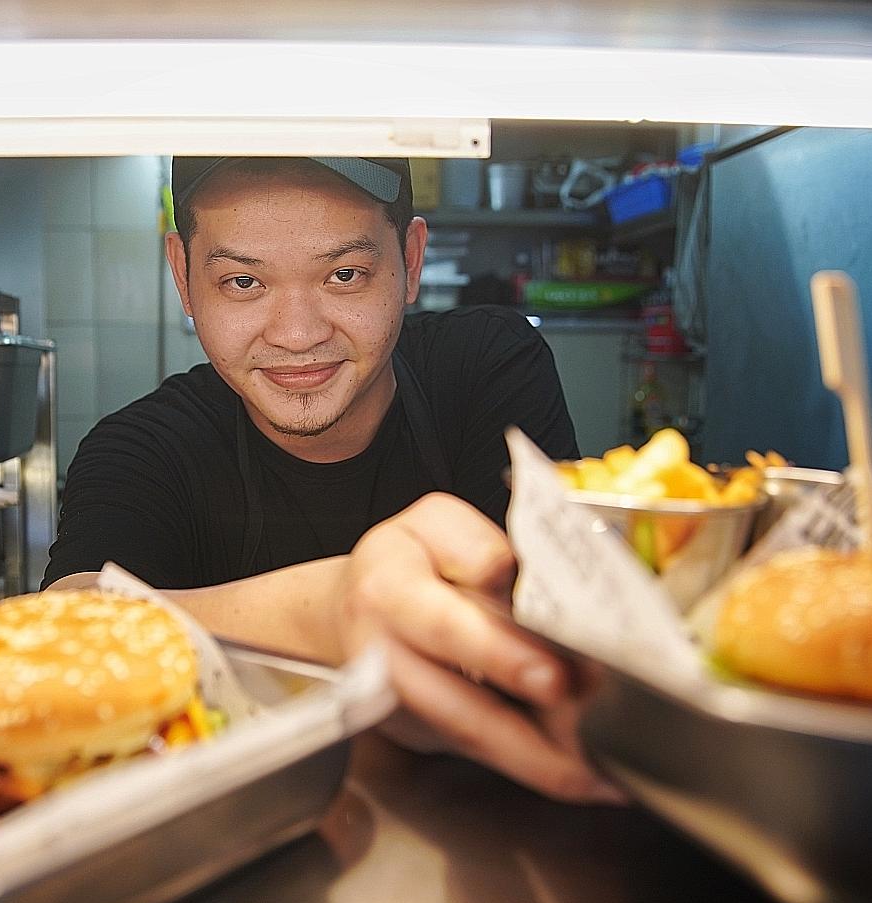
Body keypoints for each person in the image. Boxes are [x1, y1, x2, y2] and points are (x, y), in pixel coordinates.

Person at [43, 156, 620, 804]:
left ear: (411, 258)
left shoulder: (487, 365)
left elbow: (579, 618)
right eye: (242, 282)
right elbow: (58, 630)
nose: (297, 334)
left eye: (344, 274)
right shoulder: (145, 447)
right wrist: (328, 606)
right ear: (183, 274)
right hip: (239, 844)